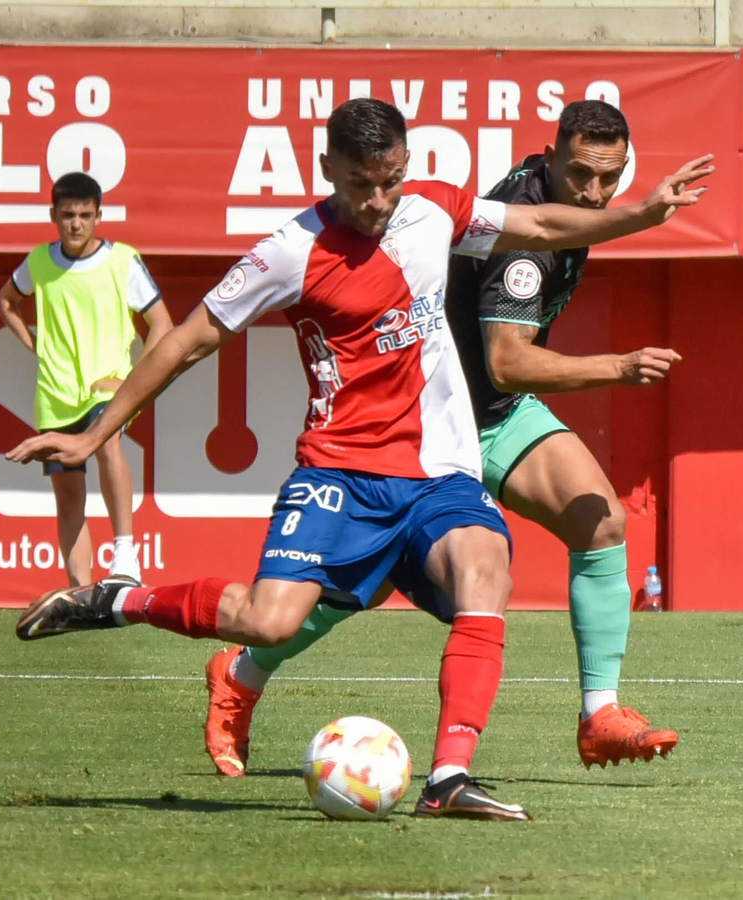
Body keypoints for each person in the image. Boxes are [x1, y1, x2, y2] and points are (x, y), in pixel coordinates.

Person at [6, 98, 711, 821]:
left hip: (439, 470)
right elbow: (188, 340)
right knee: (269, 621)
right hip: (341, 471)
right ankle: (118, 600)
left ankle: (448, 779)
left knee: (486, 570)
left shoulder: (434, 210)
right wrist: (95, 436)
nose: (376, 202)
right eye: (358, 186)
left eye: (390, 181)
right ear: (326, 171)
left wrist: (644, 216)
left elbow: (540, 224)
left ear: (406, 166)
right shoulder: (289, 250)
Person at [199, 100, 681, 778]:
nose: (596, 192)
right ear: (551, 156)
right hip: (424, 429)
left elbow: (504, 378)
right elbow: (507, 360)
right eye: (582, 175)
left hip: (497, 415)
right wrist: (618, 367)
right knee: (343, 593)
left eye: (612, 177)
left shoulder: (555, 200)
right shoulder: (524, 254)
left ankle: (598, 714)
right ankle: (241, 672)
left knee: (601, 521)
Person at [0, 172, 172, 588]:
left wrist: (131, 382)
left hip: (106, 387)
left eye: (85, 215)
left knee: (107, 443)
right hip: (55, 396)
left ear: (98, 216)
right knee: (69, 498)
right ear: (53, 214)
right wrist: (34, 345)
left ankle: (125, 557)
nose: (76, 223)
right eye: (68, 214)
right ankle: (80, 593)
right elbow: (5, 300)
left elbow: (161, 323)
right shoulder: (39, 261)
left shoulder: (121, 260)